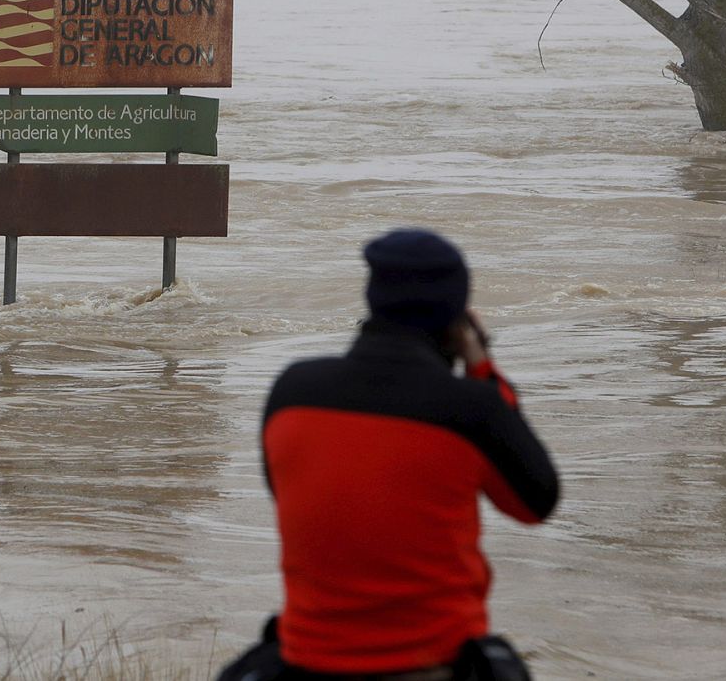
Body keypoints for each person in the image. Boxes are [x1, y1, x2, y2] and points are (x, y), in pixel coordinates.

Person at [221, 229, 559, 681]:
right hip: (432, 665)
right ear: (457, 319)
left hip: (309, 664)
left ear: (373, 298)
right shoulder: (470, 408)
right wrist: (482, 365)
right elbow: (537, 501)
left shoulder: (292, 392)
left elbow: (283, 492)